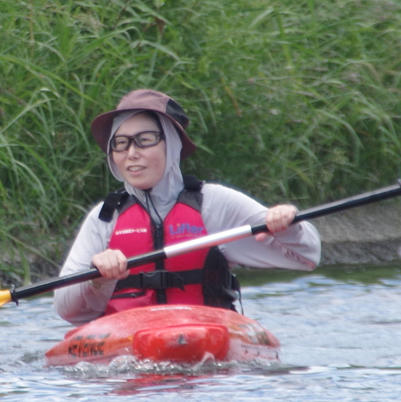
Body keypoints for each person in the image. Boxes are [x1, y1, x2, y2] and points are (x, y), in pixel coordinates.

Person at [54, 89, 320, 325]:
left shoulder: (214, 204)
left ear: (171, 143)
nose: (131, 153)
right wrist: (99, 280)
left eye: (145, 139)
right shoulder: (105, 217)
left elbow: (307, 257)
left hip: (204, 335)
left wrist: (288, 227)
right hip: (127, 346)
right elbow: (68, 312)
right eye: (120, 143)